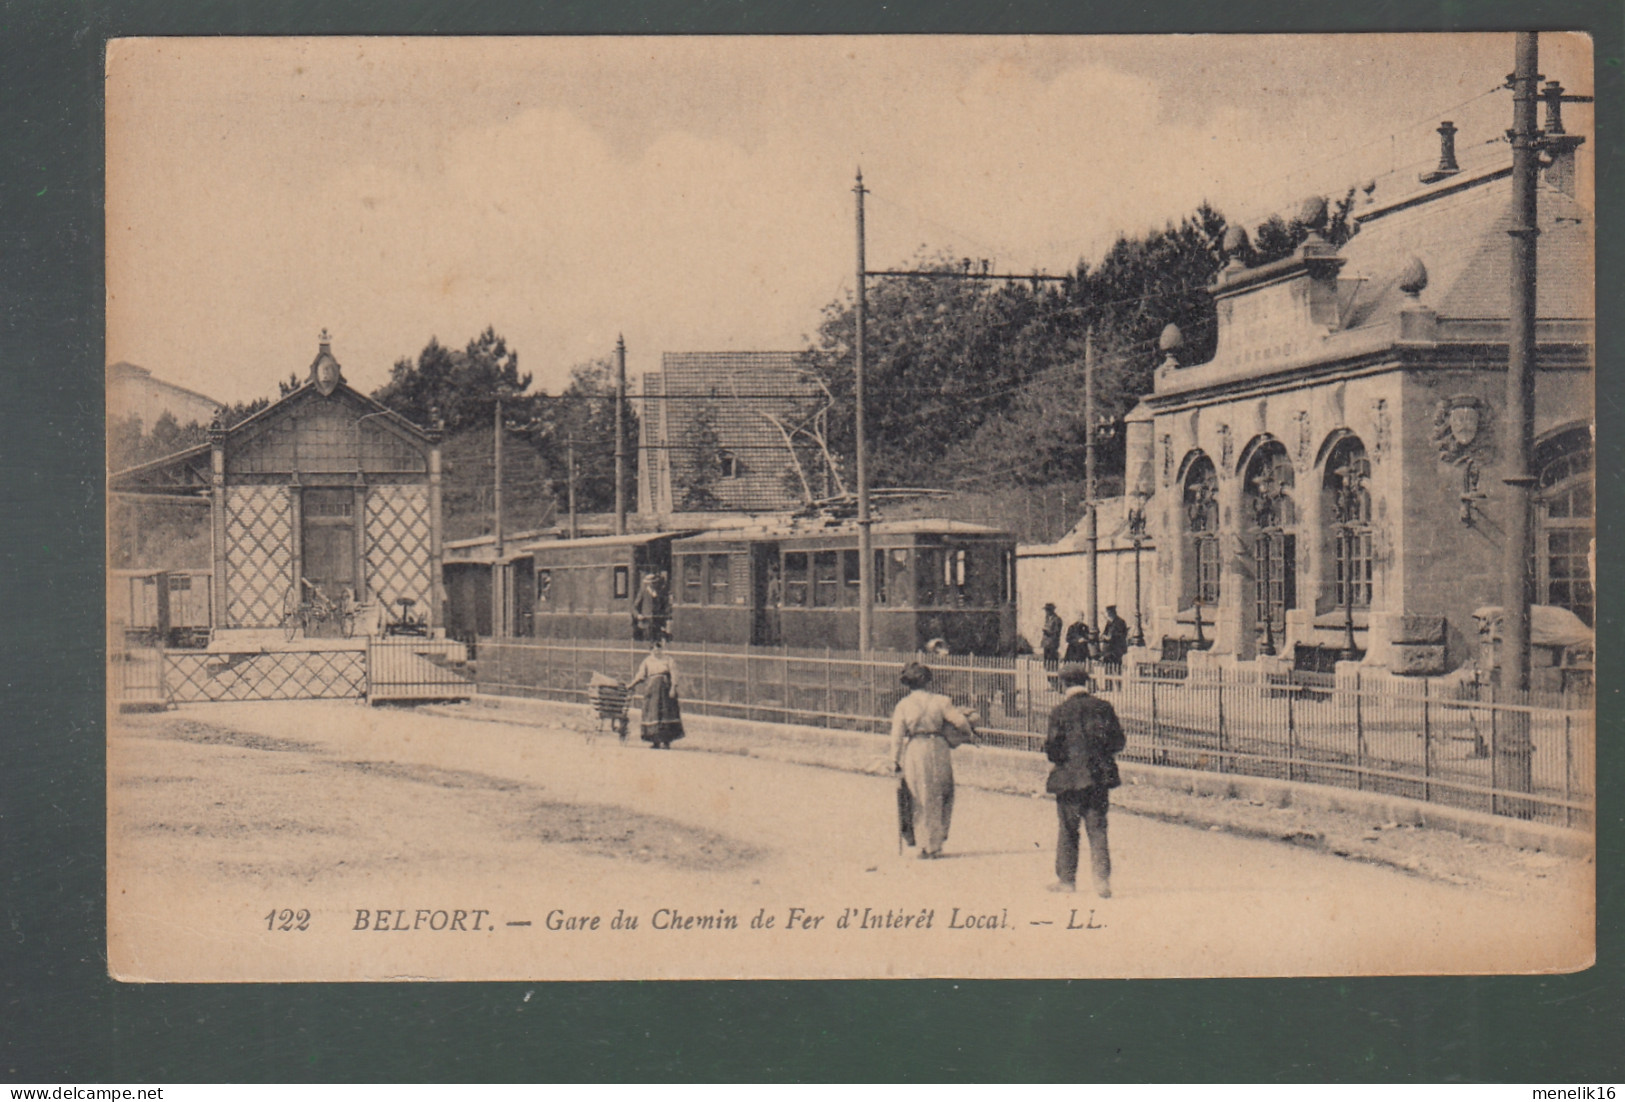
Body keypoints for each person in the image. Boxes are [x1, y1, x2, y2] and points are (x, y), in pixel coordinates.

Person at [1043, 663, 1126, 897]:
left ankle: (1067, 881)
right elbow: (1118, 742)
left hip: (1069, 779)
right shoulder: (1103, 708)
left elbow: (1052, 749)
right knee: (1098, 828)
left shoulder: (1060, 712)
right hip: (1098, 777)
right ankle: (1101, 882)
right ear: (1087, 682)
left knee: (1068, 829)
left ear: (1063, 683)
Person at [889, 661, 976, 859]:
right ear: (928, 681)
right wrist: (965, 732)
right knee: (940, 793)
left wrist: (894, 761)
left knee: (918, 796)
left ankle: (922, 845)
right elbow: (961, 722)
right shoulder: (941, 701)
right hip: (938, 748)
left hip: (915, 750)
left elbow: (896, 737)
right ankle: (936, 843)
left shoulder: (903, 705)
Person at [627, 635, 685, 749]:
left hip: (665, 691)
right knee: (653, 714)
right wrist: (632, 684)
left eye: (659, 648)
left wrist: (673, 688)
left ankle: (666, 741)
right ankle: (655, 741)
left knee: (666, 714)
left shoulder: (668, 660)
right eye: (654, 648)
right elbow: (641, 675)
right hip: (652, 692)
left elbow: (674, 674)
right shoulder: (647, 661)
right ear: (651, 650)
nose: (657, 651)